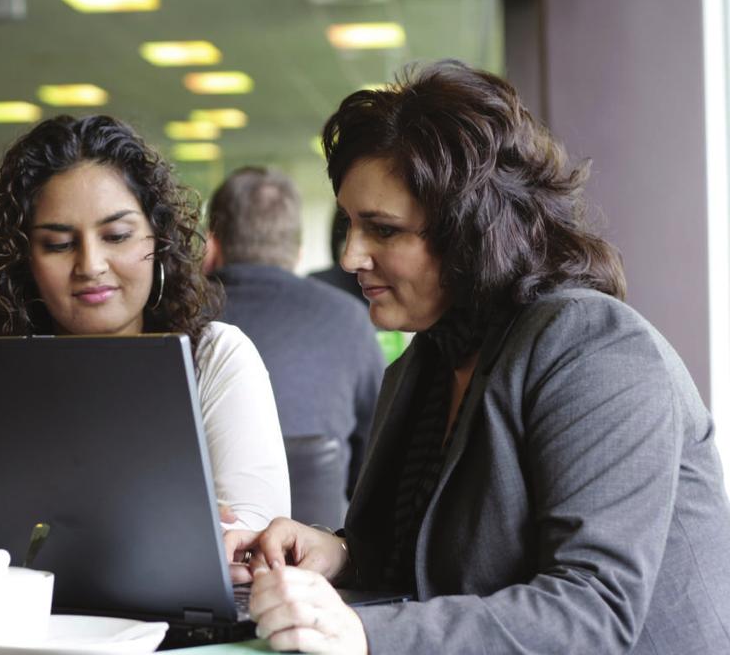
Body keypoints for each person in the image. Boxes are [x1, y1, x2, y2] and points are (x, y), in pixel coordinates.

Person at [224, 60, 730, 654]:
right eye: (350, 225)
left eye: (382, 230)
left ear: (471, 230)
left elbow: (594, 612)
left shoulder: (596, 347)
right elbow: (437, 559)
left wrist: (363, 633)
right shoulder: (430, 359)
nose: (352, 255)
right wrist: (340, 553)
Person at [0, 115, 291, 588]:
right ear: (24, 260)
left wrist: (1, 538)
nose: (91, 265)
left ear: (159, 240)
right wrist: (149, 528)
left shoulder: (215, 356)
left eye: (116, 236)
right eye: (58, 244)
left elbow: (251, 546)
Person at [205, 166, 384, 527]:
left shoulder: (175, 320)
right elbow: (374, 469)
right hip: (317, 562)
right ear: (297, 252)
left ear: (214, 245)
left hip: (197, 556)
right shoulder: (351, 319)